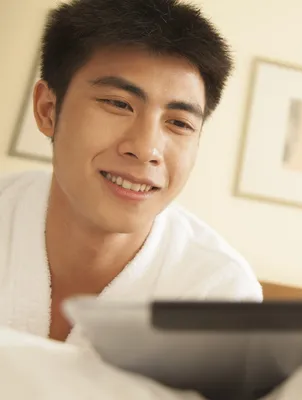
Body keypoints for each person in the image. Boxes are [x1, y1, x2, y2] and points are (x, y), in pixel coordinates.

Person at [0, 0, 262, 345]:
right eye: (118, 104)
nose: (146, 148)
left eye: (179, 123)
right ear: (48, 110)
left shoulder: (219, 294)